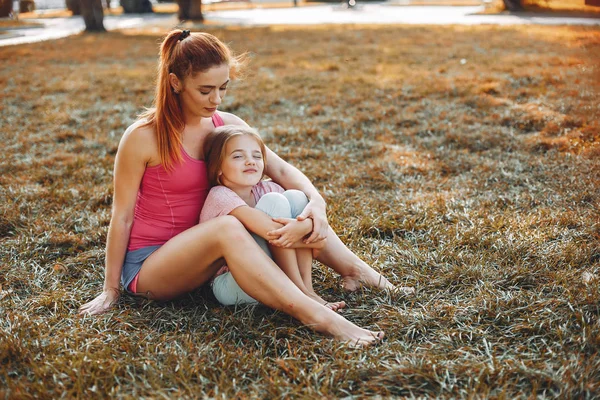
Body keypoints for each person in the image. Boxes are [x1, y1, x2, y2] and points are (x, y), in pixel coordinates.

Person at [78, 29, 409, 346]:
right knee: (228, 226)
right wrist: (111, 289)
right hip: (151, 266)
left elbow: (280, 169)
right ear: (175, 83)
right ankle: (319, 316)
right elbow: (121, 216)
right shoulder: (142, 137)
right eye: (205, 90)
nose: (216, 99)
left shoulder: (227, 126)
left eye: (223, 88)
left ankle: (356, 270)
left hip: (207, 254)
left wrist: (317, 205)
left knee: (290, 199)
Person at [199, 125, 346, 311]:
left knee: (297, 196)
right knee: (274, 202)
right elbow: (277, 235)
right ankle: (301, 294)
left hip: (272, 274)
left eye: (257, 156)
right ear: (218, 167)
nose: (250, 161)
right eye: (238, 156)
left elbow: (309, 241)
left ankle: (307, 289)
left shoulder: (268, 188)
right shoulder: (220, 196)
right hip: (235, 282)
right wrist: (310, 234)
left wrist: (306, 232)